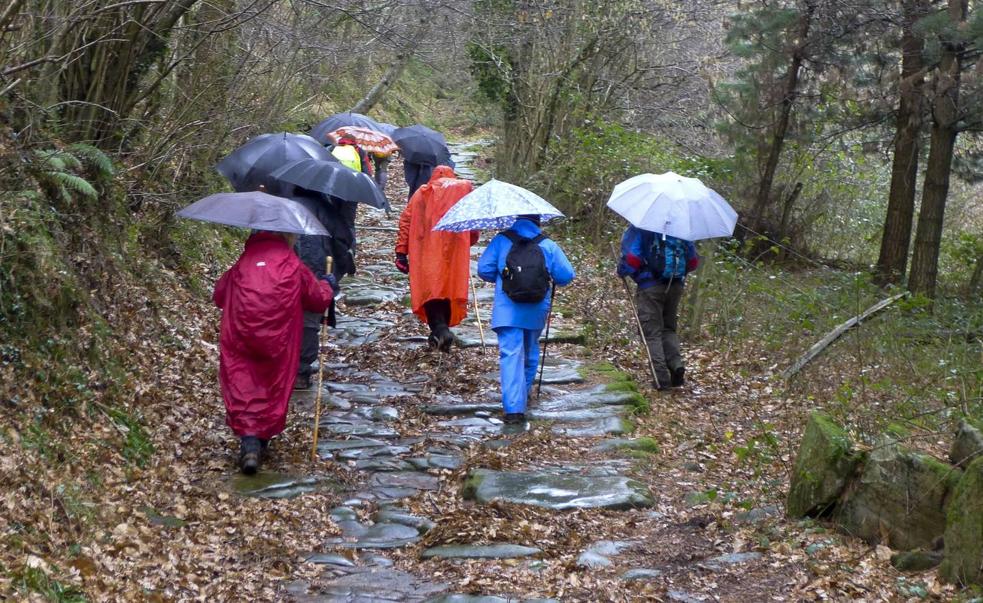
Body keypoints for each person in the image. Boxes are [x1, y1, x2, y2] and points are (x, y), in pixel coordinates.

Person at [213, 230, 337, 474]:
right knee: (273, 384)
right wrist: (328, 284)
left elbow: (219, 295)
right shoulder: (292, 264)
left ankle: (249, 441)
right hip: (279, 339)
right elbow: (316, 299)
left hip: (241, 335)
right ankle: (260, 440)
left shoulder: (243, 262)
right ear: (287, 237)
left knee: (242, 381)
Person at [477, 215, 575, 424]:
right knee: (530, 350)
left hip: (507, 310)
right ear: (538, 221)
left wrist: (502, 276)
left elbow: (483, 269)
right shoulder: (547, 244)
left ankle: (514, 409)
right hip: (536, 308)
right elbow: (566, 276)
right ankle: (526, 391)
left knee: (511, 355)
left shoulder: (501, 240)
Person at [394, 165, 478, 351]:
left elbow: (406, 222)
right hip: (455, 252)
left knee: (430, 290)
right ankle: (442, 331)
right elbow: (473, 222)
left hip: (426, 252)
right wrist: (469, 240)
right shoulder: (463, 192)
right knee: (449, 289)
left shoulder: (421, 194)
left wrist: (401, 252)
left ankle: (440, 330)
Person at [617, 225, 700, 389]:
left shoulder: (641, 227)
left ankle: (661, 379)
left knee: (652, 333)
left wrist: (622, 270)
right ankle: (676, 365)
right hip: (675, 286)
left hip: (650, 287)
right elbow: (693, 261)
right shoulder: (681, 229)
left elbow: (633, 258)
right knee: (668, 329)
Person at [291, 189, 358, 390]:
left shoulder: (280, 206)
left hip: (285, 270)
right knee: (309, 320)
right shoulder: (324, 208)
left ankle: (283, 364)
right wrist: (342, 267)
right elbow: (341, 239)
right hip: (317, 269)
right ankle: (301, 371)